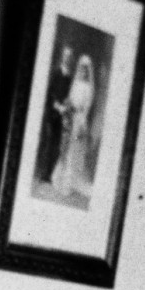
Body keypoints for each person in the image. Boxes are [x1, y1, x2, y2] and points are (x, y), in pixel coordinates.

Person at [51, 54, 97, 199]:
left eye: (85, 71)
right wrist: (67, 107)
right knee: (65, 148)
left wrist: (82, 123)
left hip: (79, 120)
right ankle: (59, 179)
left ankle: (68, 184)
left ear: (88, 72)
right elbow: (70, 99)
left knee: (72, 151)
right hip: (70, 117)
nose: (82, 73)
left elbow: (86, 108)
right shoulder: (76, 83)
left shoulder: (89, 88)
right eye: (81, 70)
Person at [36, 44, 74, 185]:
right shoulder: (56, 72)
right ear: (62, 57)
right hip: (52, 112)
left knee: (57, 145)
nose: (67, 59)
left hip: (61, 114)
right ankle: (43, 174)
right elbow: (49, 92)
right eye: (65, 56)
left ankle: (50, 175)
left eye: (69, 57)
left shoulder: (69, 77)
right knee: (49, 142)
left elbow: (67, 95)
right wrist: (57, 105)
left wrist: (65, 106)